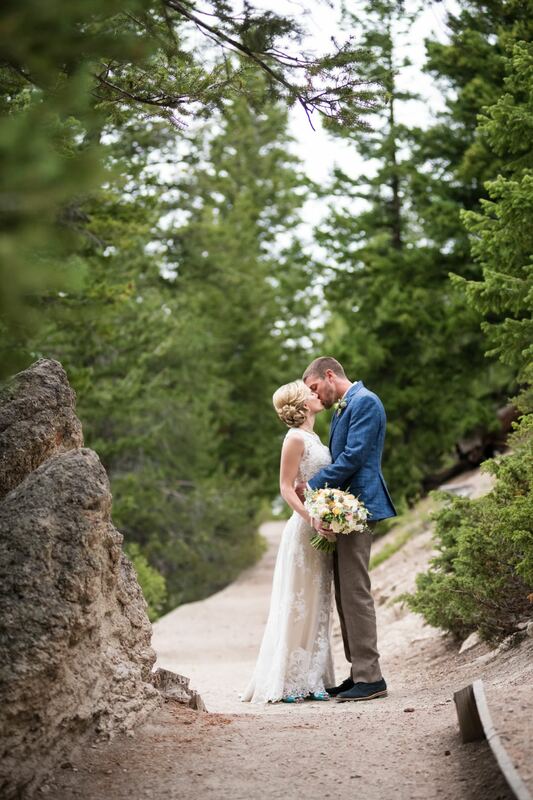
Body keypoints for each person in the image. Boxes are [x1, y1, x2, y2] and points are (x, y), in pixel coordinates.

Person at [302, 356, 396, 702]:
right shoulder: (345, 407)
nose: (316, 397)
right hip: (345, 510)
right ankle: (359, 672)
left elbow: (354, 457)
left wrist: (313, 486)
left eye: (314, 388)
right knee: (344, 593)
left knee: (356, 591)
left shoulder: (366, 402)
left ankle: (371, 677)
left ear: (330, 375)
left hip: (360, 507)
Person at [241, 380, 335, 704]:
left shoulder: (315, 437)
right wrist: (312, 517)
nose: (316, 394)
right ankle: (290, 681)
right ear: (302, 403)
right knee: (298, 602)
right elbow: (285, 487)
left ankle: (313, 677)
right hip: (304, 531)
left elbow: (310, 483)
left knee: (319, 602)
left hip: (323, 529)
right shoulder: (294, 438)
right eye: (309, 392)